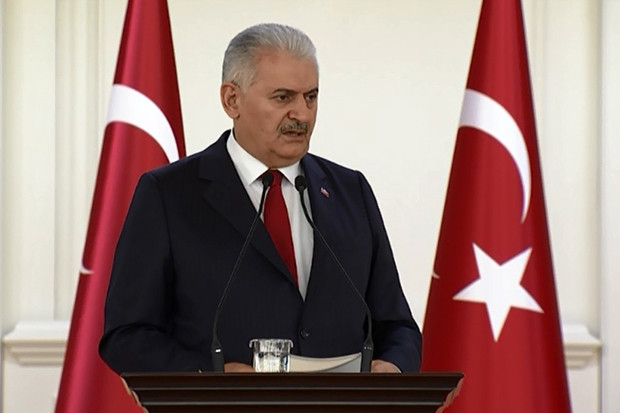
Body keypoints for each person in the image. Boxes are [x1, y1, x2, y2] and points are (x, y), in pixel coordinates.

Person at [99, 23, 422, 373]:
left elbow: (397, 326)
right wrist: (212, 376)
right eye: (283, 97)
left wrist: (394, 367)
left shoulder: (350, 191)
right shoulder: (169, 194)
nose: (302, 114)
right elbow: (127, 336)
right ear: (232, 100)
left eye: (311, 97)